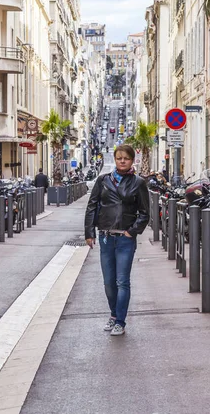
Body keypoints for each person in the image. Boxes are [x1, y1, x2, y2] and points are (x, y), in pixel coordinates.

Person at [84, 144, 150, 336]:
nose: (122, 161)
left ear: (132, 160)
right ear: (114, 158)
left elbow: (145, 213)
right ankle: (113, 315)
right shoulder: (103, 180)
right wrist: (89, 232)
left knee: (122, 281)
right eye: (119, 158)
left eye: (126, 158)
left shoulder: (138, 183)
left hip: (124, 239)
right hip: (105, 237)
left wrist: (132, 231)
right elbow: (92, 206)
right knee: (108, 282)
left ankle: (120, 321)